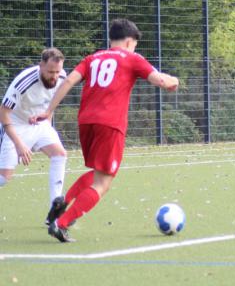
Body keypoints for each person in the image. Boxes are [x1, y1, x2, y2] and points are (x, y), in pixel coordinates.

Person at [30, 19, 179, 242]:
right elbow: (160, 80)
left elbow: (69, 80)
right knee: (103, 182)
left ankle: (63, 202)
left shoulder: (93, 58)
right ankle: (60, 224)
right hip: (110, 124)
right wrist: (173, 80)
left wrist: (49, 111)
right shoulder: (132, 58)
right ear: (130, 42)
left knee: (98, 173)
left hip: (86, 121)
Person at [0, 48, 68, 224]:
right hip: (15, 125)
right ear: (41, 66)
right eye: (50, 72)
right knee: (3, 178)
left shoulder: (61, 77)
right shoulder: (24, 82)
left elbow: (52, 103)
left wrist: (46, 120)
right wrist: (19, 144)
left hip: (39, 123)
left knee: (60, 154)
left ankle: (56, 209)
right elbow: (4, 113)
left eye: (57, 71)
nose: (54, 76)